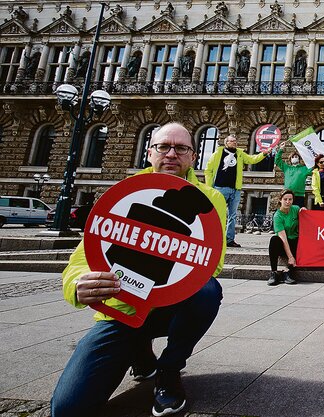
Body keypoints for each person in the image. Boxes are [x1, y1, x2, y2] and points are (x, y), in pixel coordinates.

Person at [51, 122, 227, 417]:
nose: (172, 154)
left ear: (193, 156)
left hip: (174, 304)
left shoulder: (211, 200)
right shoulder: (125, 193)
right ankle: (140, 351)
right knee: (69, 409)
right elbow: (86, 254)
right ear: (149, 152)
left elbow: (213, 262)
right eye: (163, 147)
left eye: (181, 148)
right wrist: (77, 285)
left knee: (208, 289)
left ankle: (169, 371)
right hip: (122, 309)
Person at [204, 134, 268, 248]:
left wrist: (264, 153)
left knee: (233, 216)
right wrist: (210, 187)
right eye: (232, 141)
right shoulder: (218, 154)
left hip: (235, 190)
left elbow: (252, 159)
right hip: (219, 189)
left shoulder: (239, 153)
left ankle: (229, 240)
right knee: (218, 215)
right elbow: (208, 170)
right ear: (226, 143)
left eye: (235, 141)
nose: (234, 142)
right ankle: (214, 238)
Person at [268, 189, 302, 285]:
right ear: (280, 200)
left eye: (290, 199)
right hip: (283, 243)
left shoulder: (295, 209)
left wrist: (304, 211)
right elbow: (283, 239)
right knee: (274, 239)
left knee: (300, 242)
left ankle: (287, 271)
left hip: (294, 241)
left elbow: (305, 217)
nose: (288, 202)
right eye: (285, 199)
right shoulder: (277, 216)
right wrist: (290, 256)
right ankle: (273, 272)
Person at [275, 141, 314, 208]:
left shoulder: (304, 169)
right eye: (293, 157)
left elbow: (313, 168)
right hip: (287, 195)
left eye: (296, 156)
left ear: (299, 159)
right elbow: (277, 160)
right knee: (286, 212)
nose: (295, 158)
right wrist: (281, 149)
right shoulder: (286, 167)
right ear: (290, 159)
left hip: (299, 196)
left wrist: (313, 158)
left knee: (298, 214)